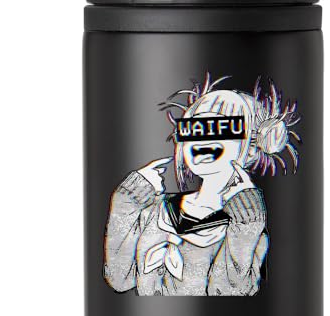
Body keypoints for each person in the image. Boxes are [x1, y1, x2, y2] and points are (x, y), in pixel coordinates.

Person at [104, 73, 301, 296]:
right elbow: (120, 279)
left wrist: (245, 222)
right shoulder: (155, 211)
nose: (203, 142)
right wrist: (126, 202)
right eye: (193, 130)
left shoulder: (248, 228)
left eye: (222, 129)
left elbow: (227, 294)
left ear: (251, 149)